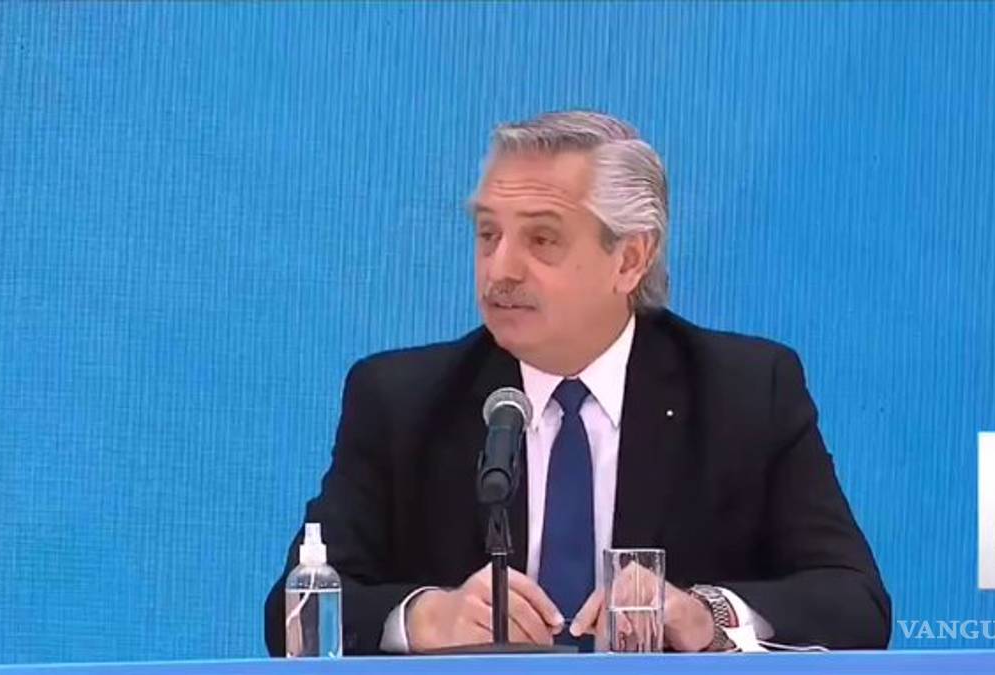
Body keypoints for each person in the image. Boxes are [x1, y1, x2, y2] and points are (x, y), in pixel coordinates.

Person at [263, 111, 891, 655]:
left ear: (630, 259)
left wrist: (706, 615)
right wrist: (427, 617)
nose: (501, 270)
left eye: (542, 239)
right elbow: (292, 612)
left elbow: (854, 601)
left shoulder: (745, 392)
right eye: (488, 234)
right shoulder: (402, 400)